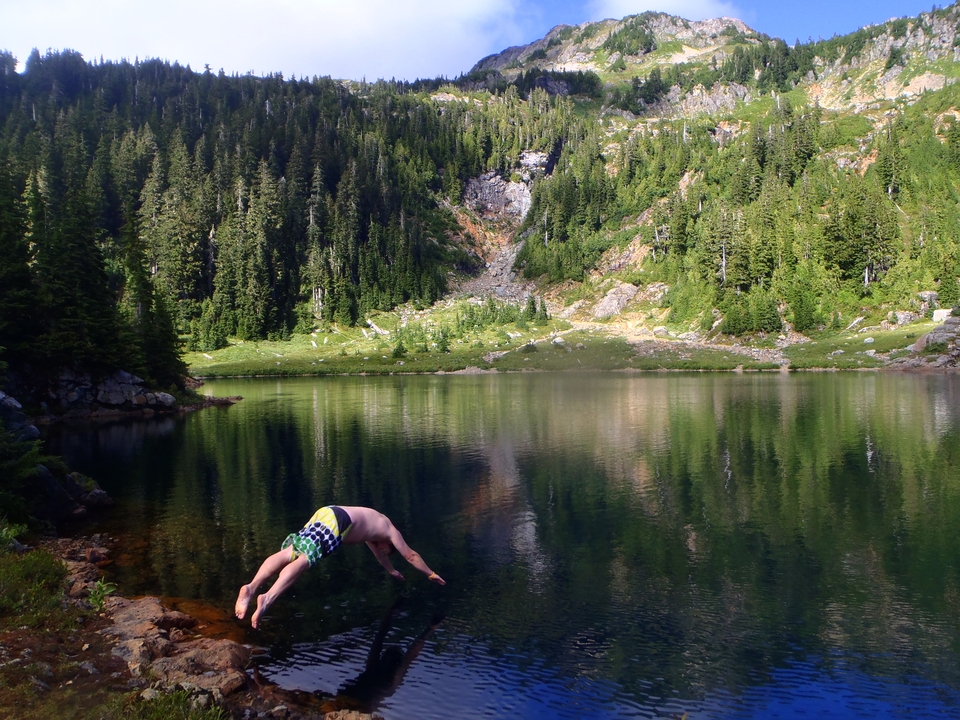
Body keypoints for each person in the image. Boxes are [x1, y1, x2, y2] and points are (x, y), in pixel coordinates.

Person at [235, 505, 446, 628]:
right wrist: (431, 574)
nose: (382, 550)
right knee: (305, 559)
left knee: (291, 551)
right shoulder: (391, 531)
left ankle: (251, 588)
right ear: (389, 543)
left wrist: (391, 570)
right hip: (339, 522)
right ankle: (267, 599)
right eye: (386, 549)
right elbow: (410, 555)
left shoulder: (375, 528)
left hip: (327, 512)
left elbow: (379, 557)